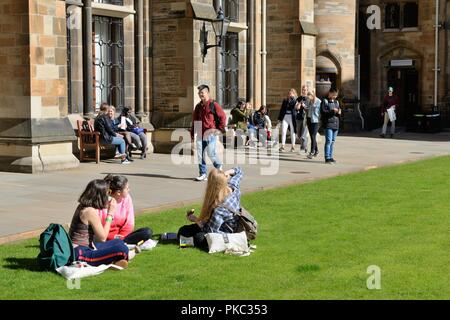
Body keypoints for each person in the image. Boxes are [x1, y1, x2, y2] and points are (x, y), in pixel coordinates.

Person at [68, 179, 133, 268]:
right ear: (100, 195)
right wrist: (110, 214)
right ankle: (117, 260)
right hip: (80, 253)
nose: (109, 196)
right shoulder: (89, 212)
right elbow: (103, 237)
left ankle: (115, 260)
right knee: (122, 249)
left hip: (85, 247)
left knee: (118, 242)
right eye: (108, 193)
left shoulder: (83, 206)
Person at [178, 167, 243, 249]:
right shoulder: (233, 188)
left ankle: (184, 243)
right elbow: (239, 171)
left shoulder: (219, 209)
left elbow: (211, 232)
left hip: (226, 233)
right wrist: (227, 173)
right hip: (231, 225)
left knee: (199, 238)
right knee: (183, 230)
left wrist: (196, 220)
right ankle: (183, 240)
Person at [97, 174, 152, 245]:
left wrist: (122, 237)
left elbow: (129, 223)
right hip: (104, 237)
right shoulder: (102, 203)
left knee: (147, 232)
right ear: (118, 192)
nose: (129, 190)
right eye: (127, 188)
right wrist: (113, 237)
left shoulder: (127, 198)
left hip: (123, 237)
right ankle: (119, 244)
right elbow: (99, 230)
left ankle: (121, 243)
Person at [190, 84, 227, 181]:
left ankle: (218, 166)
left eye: (202, 92)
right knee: (200, 155)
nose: (200, 94)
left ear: (207, 93)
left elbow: (223, 116)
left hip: (211, 133)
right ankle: (203, 174)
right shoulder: (198, 106)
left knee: (211, 152)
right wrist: (192, 133)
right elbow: (195, 120)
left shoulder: (213, 105)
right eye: (199, 93)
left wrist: (219, 129)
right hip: (200, 133)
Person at [321, 88, 341, 164]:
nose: (335, 96)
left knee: (333, 141)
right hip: (328, 124)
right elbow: (323, 112)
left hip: (336, 124)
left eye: (336, 95)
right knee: (328, 141)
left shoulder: (337, 102)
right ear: (330, 93)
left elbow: (338, 114)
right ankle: (327, 157)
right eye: (334, 95)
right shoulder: (325, 101)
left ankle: (331, 156)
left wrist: (339, 113)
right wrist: (333, 111)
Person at [305, 90, 321, 159]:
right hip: (309, 119)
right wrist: (305, 107)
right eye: (308, 95)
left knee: (313, 136)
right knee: (312, 136)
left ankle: (311, 152)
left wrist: (312, 106)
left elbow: (319, 112)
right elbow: (307, 109)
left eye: (309, 95)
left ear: (313, 95)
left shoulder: (318, 101)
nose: (308, 97)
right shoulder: (309, 101)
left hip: (315, 120)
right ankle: (316, 150)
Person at [295, 85, 309, 153]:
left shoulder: (309, 99)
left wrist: (305, 107)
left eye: (305, 90)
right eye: (303, 89)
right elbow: (296, 108)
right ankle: (304, 146)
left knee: (303, 135)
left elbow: (309, 109)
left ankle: (303, 148)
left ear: (307, 91)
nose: (304, 91)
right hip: (298, 118)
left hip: (305, 119)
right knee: (299, 135)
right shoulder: (299, 98)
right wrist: (299, 104)